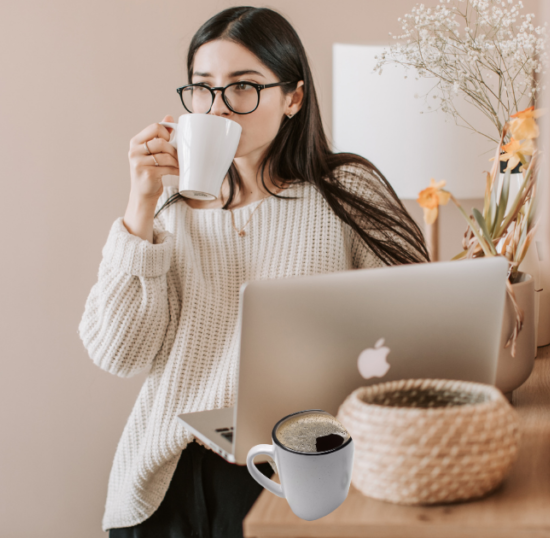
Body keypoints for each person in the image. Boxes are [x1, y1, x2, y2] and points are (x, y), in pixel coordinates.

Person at [77, 6, 430, 537]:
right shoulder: (167, 210)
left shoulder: (345, 191)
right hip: (166, 482)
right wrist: (140, 205)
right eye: (203, 88)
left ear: (293, 97)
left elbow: (420, 332)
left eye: (243, 87)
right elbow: (119, 353)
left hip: (294, 473)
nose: (218, 107)